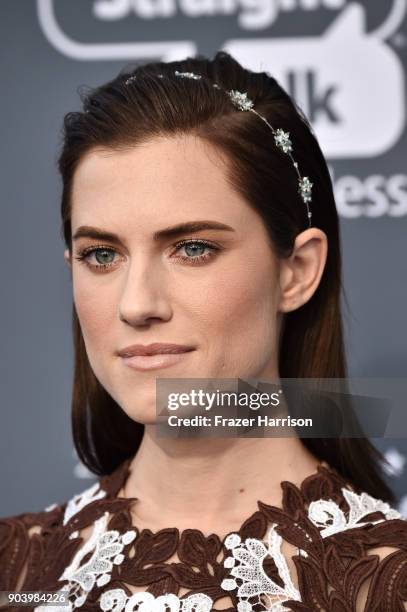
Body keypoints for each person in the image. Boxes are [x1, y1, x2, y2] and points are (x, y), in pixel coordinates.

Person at [0, 51, 406, 612]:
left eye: (193, 248)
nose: (136, 304)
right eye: (101, 254)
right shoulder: (13, 572)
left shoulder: (391, 586)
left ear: (297, 271)